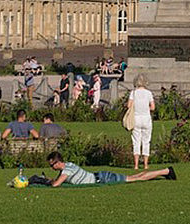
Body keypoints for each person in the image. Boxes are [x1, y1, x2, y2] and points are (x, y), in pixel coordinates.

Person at [39, 150, 174, 186]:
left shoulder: (67, 170)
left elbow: (56, 184)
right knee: (135, 177)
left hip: (103, 179)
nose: (52, 168)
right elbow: (58, 180)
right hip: (101, 176)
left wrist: (45, 181)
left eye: (52, 165)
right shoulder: (67, 166)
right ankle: (165, 171)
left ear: (57, 163)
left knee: (135, 179)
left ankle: (166, 171)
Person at [124, 74, 156, 170]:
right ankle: (146, 164)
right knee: (146, 141)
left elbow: (129, 106)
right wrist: (146, 108)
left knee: (136, 141)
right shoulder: (149, 93)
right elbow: (153, 107)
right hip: (146, 118)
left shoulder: (133, 93)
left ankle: (136, 165)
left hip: (136, 118)